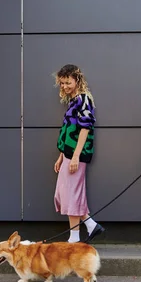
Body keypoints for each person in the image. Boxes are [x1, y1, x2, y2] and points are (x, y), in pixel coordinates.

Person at [53, 64, 105, 243]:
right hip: (69, 154)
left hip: (77, 155)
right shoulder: (73, 101)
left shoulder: (83, 99)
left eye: (68, 82)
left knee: (71, 193)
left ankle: (74, 236)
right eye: (62, 83)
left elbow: (85, 128)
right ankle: (91, 225)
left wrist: (75, 156)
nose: (64, 86)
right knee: (65, 193)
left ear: (77, 80)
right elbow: (68, 131)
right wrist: (62, 155)